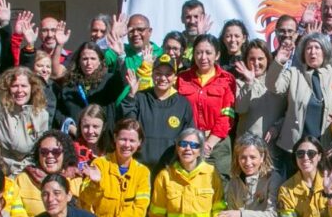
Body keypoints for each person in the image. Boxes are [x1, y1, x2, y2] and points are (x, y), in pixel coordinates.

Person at [271, 33, 332, 174]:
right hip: (296, 148)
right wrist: (278, 62)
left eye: (317, 47)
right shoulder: (294, 73)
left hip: (324, 148)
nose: (313, 52)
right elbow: (273, 86)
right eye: (308, 48)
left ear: (325, 51)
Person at [120, 54, 196, 173]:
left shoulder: (183, 103)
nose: (163, 78)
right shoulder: (140, 97)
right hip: (140, 168)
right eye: (158, 73)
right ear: (152, 74)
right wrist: (131, 95)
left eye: (168, 74)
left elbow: (190, 136)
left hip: (170, 170)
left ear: (175, 77)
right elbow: (128, 124)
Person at [176, 34, 237, 180]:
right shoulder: (182, 78)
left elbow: (227, 115)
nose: (203, 57)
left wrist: (209, 144)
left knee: (220, 185)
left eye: (208, 53)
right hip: (188, 143)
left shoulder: (227, 80)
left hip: (218, 143)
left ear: (217, 55)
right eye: (198, 52)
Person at [56, 41, 124, 135]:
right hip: (77, 140)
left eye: (93, 59)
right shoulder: (69, 84)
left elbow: (122, 81)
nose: (88, 63)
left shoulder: (109, 80)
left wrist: (120, 57)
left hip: (103, 141)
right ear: (79, 61)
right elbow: (59, 113)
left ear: (100, 61)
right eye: (85, 59)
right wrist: (70, 126)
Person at [13, 131, 85, 217]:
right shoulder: (23, 179)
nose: (50, 156)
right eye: (44, 152)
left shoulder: (77, 180)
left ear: (65, 154)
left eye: (56, 151)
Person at [233, 39, 285, 149]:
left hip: (273, 148)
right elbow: (240, 109)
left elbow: (289, 112)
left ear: (268, 59)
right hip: (247, 149)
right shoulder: (239, 83)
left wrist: (277, 127)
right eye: (252, 59)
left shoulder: (279, 81)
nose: (256, 63)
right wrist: (249, 83)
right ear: (246, 60)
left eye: (260, 59)